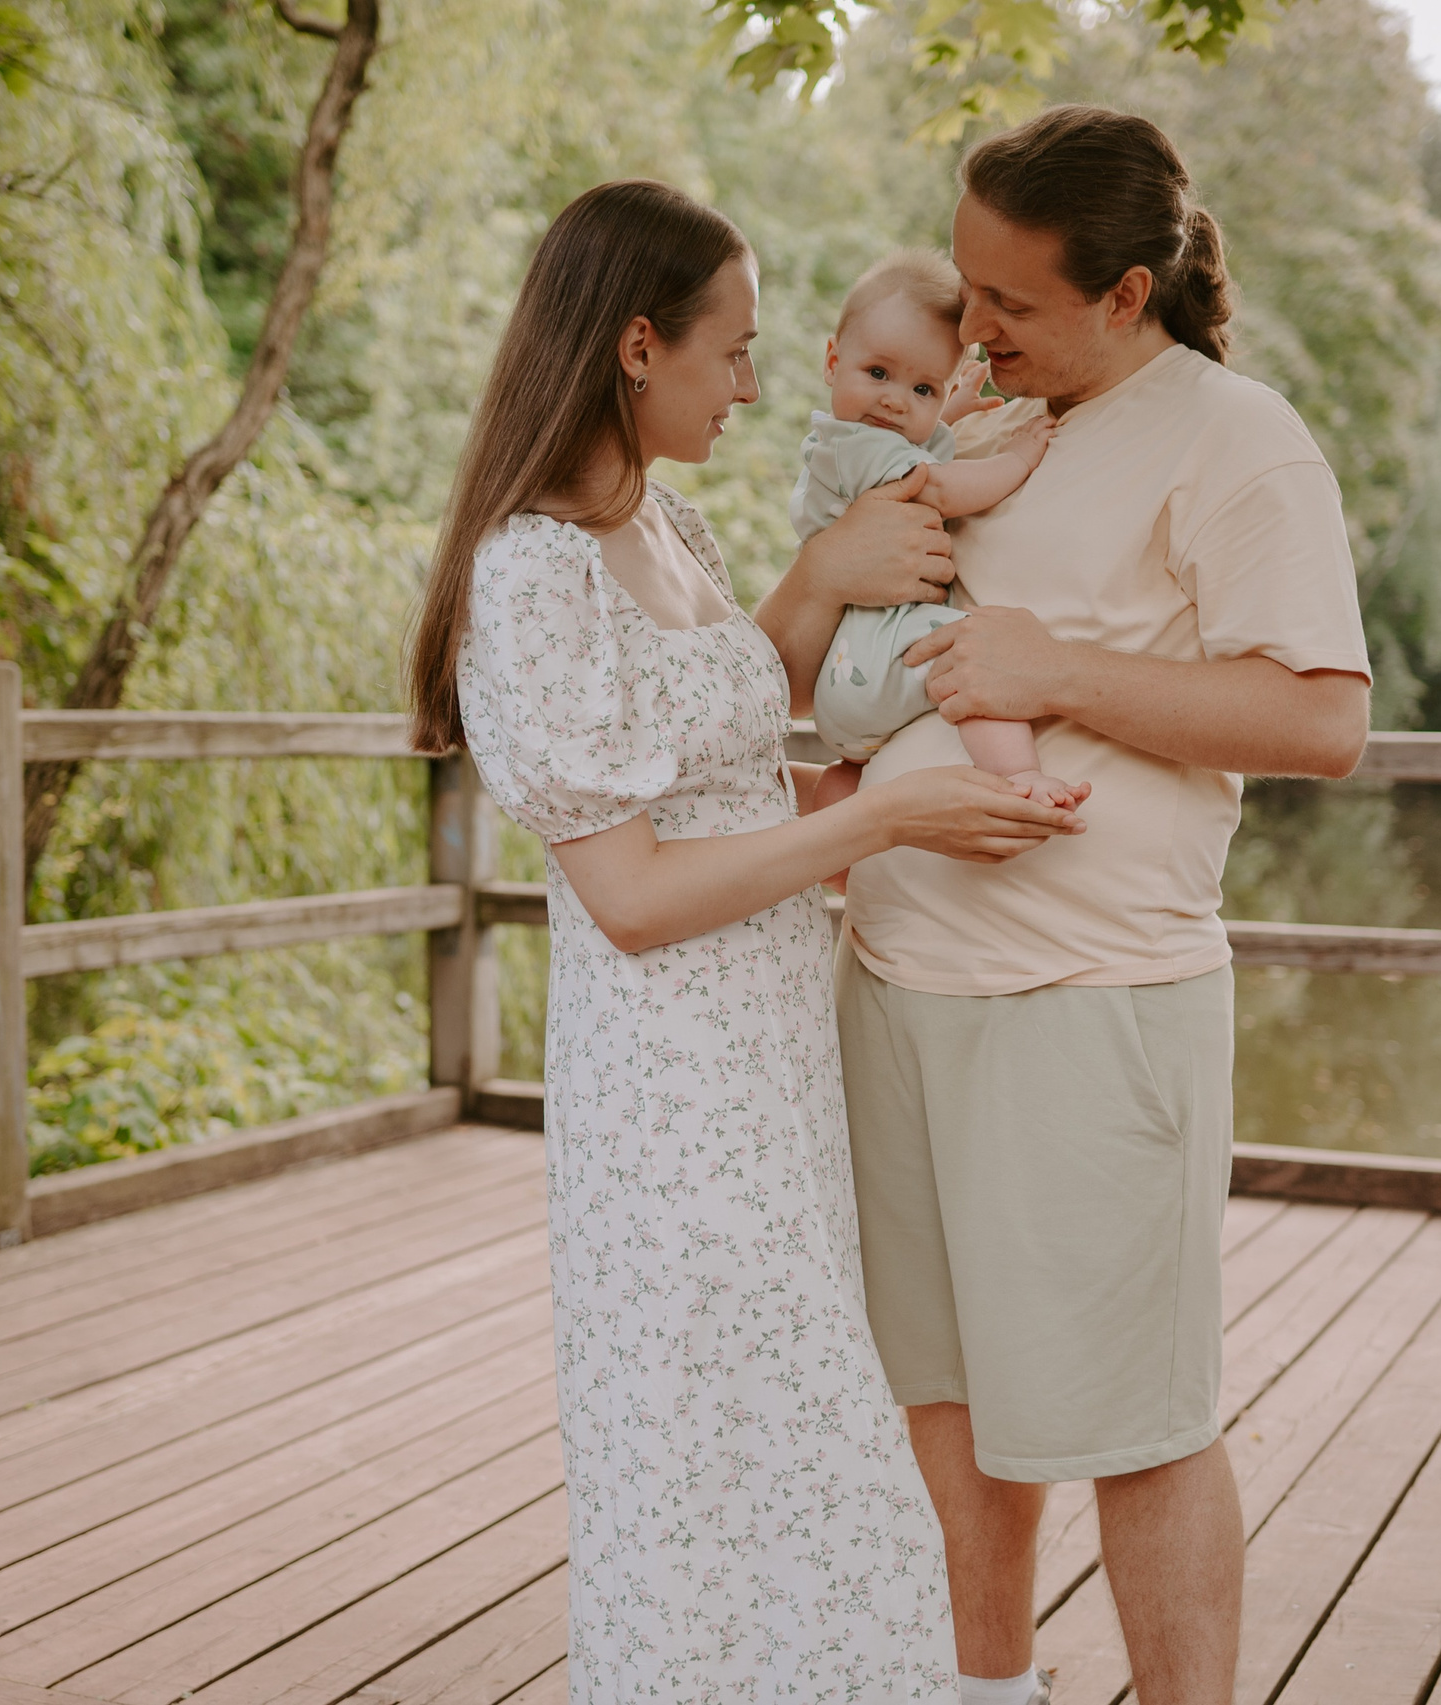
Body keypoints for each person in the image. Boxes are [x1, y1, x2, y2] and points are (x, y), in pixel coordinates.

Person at [402, 178, 1084, 1702]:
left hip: (774, 1060)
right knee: (721, 1460)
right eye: (735, 352)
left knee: (807, 1442)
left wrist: (831, 645)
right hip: (670, 1100)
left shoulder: (668, 524)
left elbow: (714, 731)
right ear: (639, 346)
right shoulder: (533, 577)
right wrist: (871, 827)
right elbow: (633, 898)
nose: (759, 385)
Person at [757, 109, 1373, 1705]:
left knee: (1135, 1428)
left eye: (1008, 307)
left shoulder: (1234, 439)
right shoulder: (969, 421)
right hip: (893, 985)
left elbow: (1321, 719)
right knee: (949, 1416)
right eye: (962, 294)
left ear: (1124, 293)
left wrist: (1058, 674)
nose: (970, 333)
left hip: (1093, 1011)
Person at [791, 251, 1070, 820]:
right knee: (976, 660)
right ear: (832, 360)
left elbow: (918, 443)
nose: (896, 400)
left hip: (846, 682)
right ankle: (1020, 774)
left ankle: (848, 872)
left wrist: (951, 409)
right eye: (878, 374)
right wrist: (1018, 456)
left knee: (855, 773)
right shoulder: (857, 447)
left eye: (923, 389)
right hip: (882, 648)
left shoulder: (842, 443)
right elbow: (940, 489)